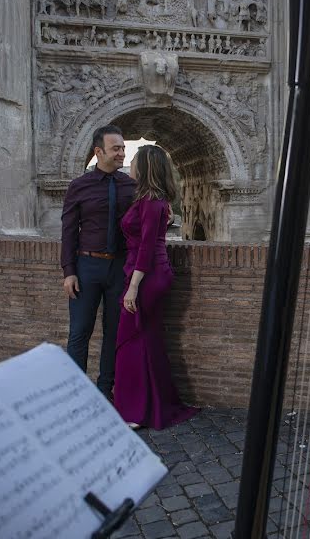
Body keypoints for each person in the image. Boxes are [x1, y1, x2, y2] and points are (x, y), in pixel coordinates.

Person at [115, 145, 199, 429]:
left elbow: (147, 248)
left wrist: (133, 287)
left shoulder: (152, 202)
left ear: (146, 167)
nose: (131, 164)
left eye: (135, 161)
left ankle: (139, 411)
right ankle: (147, 406)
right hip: (145, 273)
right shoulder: (151, 200)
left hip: (148, 276)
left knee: (133, 339)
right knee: (144, 338)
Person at [61, 125, 135, 402]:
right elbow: (68, 230)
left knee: (113, 333)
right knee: (79, 332)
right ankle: (77, 393)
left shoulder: (131, 186)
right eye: (116, 148)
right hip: (86, 267)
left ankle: (105, 391)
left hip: (120, 269)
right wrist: (68, 271)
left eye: (123, 148)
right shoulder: (79, 186)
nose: (121, 153)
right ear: (98, 151)